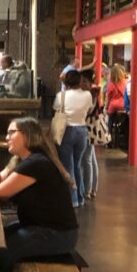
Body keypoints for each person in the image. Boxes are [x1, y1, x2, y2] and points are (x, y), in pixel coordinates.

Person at [0, 117, 78, 272]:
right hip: (39, 227)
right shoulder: (23, 160)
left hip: (56, 233)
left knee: (0, 253)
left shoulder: (36, 163)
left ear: (27, 135)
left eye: (12, 132)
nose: (7, 137)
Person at [53, 69, 92, 207]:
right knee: (78, 165)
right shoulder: (88, 95)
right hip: (82, 131)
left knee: (67, 165)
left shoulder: (61, 95)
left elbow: (56, 109)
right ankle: (80, 198)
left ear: (66, 81)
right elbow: (90, 110)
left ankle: (73, 199)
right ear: (79, 80)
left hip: (66, 130)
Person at [79, 67, 100, 199]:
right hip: (92, 127)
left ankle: (87, 190)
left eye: (84, 81)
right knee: (91, 158)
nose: (82, 84)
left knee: (86, 159)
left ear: (90, 82)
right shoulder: (94, 92)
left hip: (88, 127)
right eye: (81, 81)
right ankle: (93, 189)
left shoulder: (91, 94)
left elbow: (88, 111)